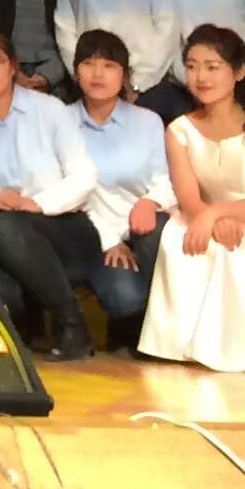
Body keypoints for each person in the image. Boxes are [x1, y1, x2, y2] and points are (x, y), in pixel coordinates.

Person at [139, 22, 245, 373]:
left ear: (239, 71)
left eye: (212, 66)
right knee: (183, 241)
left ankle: (235, 349)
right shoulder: (179, 129)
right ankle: (180, 346)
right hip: (199, 215)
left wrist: (214, 215)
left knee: (239, 253)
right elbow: (188, 196)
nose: (200, 76)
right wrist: (208, 217)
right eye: (192, 66)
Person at [0, 30, 100, 361]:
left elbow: (84, 176)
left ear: (12, 65)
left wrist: (36, 204)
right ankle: (27, 321)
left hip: (64, 230)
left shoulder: (50, 110)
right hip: (2, 235)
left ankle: (72, 323)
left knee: (9, 225)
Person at [65, 28, 173, 351]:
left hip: (142, 228)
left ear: (124, 75)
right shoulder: (61, 122)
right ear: (76, 71)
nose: (98, 74)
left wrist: (150, 202)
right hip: (92, 235)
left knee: (161, 234)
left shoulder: (147, 121)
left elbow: (167, 178)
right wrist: (109, 239)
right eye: (88, 63)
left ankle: (165, 337)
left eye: (109, 66)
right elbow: (67, 194)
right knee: (126, 298)